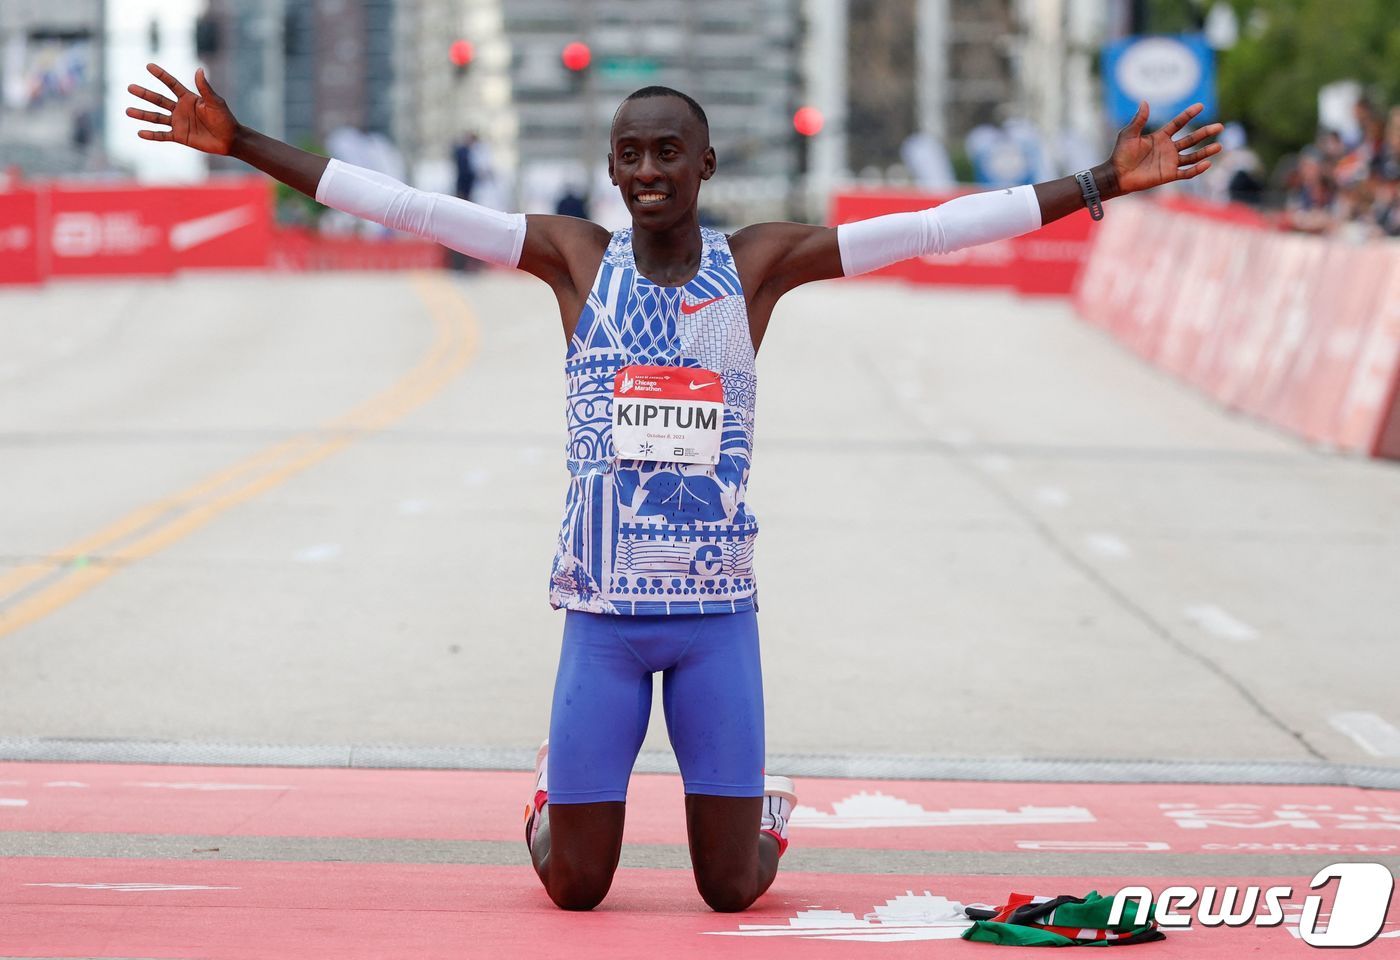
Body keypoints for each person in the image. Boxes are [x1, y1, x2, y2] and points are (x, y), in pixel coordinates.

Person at [127, 63, 1221, 914]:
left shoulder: (755, 265)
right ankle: (550, 800)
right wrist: (241, 148)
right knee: (575, 886)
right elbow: (404, 206)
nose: (646, 172)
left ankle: (765, 813)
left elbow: (930, 229)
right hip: (601, 623)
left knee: (729, 888)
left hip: (713, 624)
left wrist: (1096, 184)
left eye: (667, 154)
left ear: (705, 164)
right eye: (629, 156)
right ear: (610, 170)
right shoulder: (567, 258)